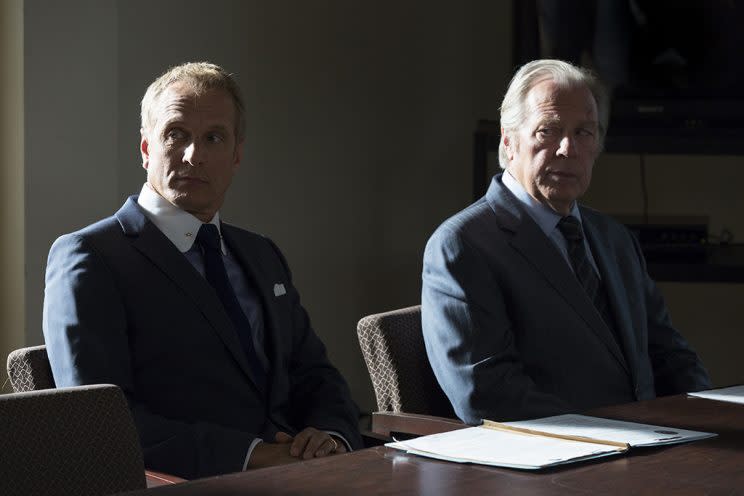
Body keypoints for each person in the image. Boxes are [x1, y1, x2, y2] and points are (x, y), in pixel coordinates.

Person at [43, 62, 362, 479]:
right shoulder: (90, 256)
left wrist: (330, 436)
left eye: (214, 138)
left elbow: (314, 373)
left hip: (306, 474)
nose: (195, 155)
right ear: (145, 149)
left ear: (236, 155)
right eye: (176, 134)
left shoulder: (261, 253)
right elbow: (102, 423)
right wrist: (255, 456)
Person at [421, 59, 710, 425]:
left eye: (584, 133)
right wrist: (616, 435)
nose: (567, 149)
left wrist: (709, 418)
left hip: (654, 448)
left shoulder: (614, 238)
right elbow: (488, 394)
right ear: (509, 141)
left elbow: (671, 356)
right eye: (548, 131)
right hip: (558, 465)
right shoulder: (461, 245)